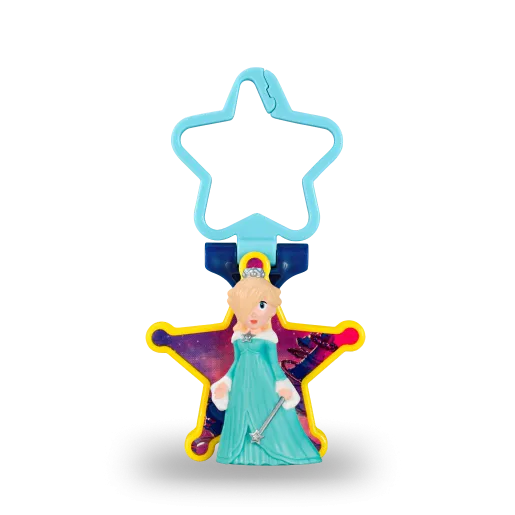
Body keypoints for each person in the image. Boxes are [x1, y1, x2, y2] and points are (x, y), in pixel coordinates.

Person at [211, 257, 322, 466]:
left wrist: (283, 385)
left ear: (271, 307)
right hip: (241, 383)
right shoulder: (238, 337)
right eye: (246, 306)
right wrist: (225, 383)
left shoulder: (268, 337)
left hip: (264, 383)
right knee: (240, 413)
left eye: (261, 305)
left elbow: (273, 365)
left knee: (267, 413)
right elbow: (235, 363)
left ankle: (278, 451)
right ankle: (241, 453)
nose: (253, 313)